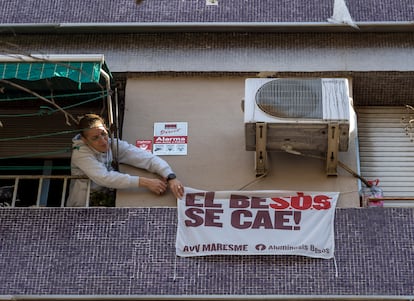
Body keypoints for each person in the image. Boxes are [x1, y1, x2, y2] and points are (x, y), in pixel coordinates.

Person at [66, 113, 184, 207]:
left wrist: (170, 176)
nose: (103, 141)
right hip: (80, 207)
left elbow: (145, 158)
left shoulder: (112, 144)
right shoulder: (80, 153)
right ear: (85, 140)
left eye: (104, 134)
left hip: (104, 203)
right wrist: (146, 182)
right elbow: (104, 177)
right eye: (95, 138)